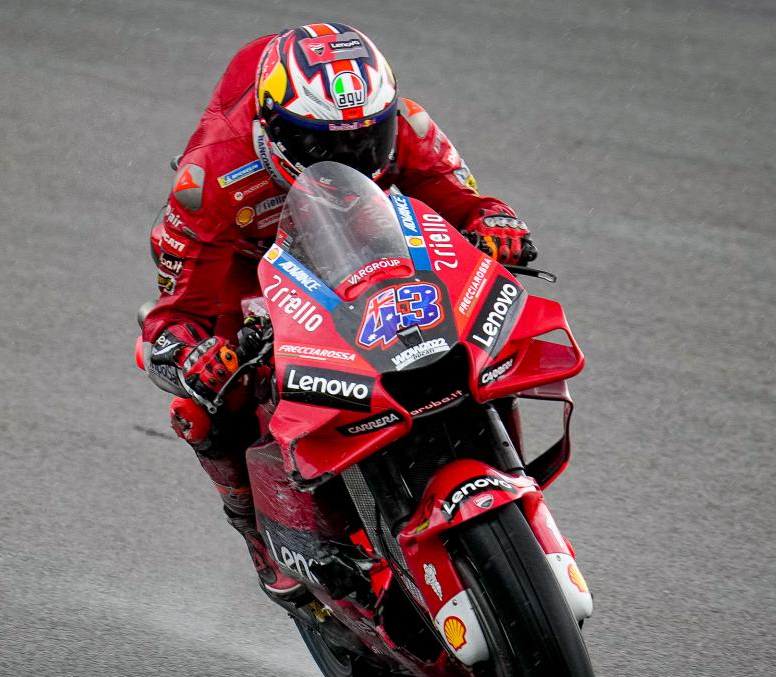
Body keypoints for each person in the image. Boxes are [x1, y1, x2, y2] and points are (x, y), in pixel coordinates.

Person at [142, 23, 533, 597]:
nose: (352, 157)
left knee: (465, 307)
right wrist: (192, 353)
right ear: (273, 130)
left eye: (368, 140)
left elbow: (467, 205)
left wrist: (494, 222)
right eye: (324, 147)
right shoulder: (209, 178)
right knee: (209, 401)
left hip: (371, 238)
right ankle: (255, 526)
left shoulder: (408, 126)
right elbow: (170, 320)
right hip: (248, 270)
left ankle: (500, 459)